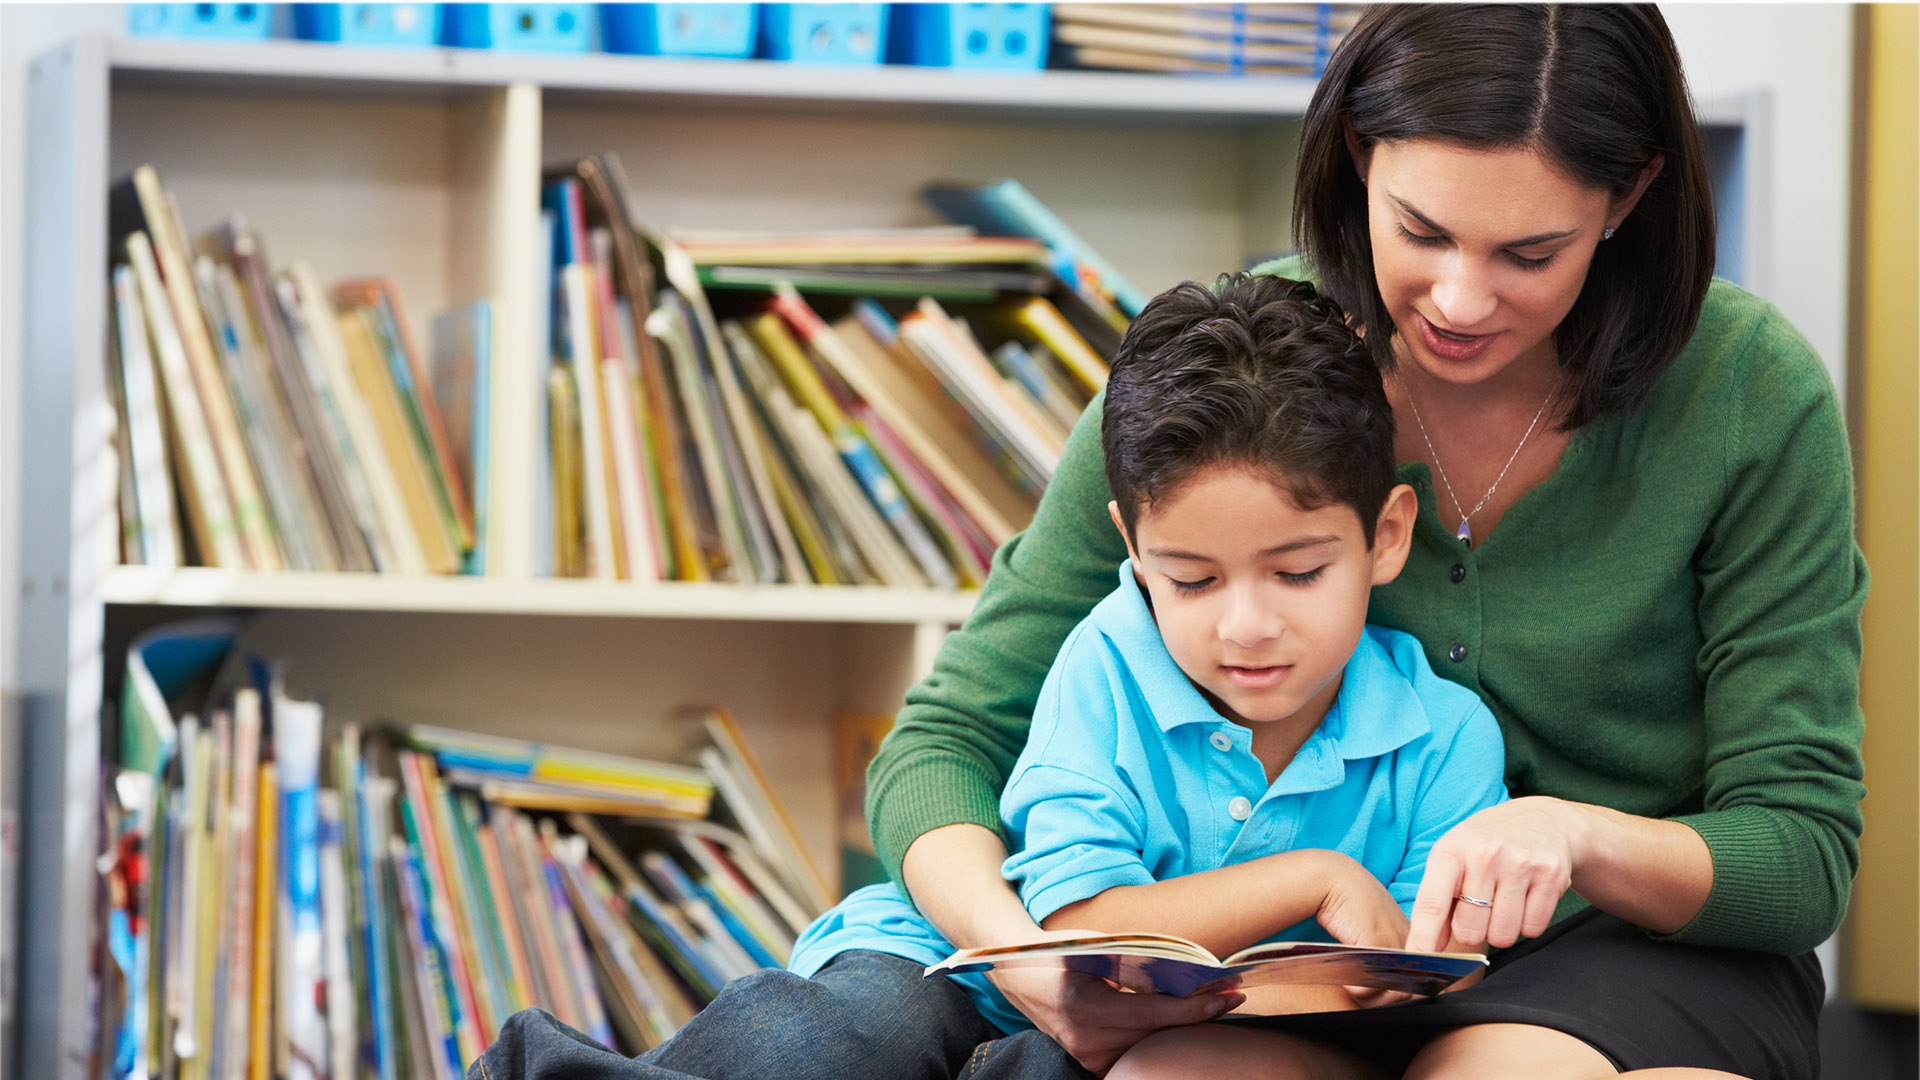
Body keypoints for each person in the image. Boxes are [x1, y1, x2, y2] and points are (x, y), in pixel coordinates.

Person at [471, 5, 1865, 1079]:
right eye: (1419, 230)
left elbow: (1797, 849)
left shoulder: (1748, 394)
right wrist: (1023, 955)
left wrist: (1574, 839)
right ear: (1355, 163)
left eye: (1530, 254)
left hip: (1614, 947)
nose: (1456, 298)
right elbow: (948, 743)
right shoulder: (1241, 368)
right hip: (1233, 967)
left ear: (1627, 204)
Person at [784, 272, 1509, 1078]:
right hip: (956, 967)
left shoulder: (1444, 740)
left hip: (1182, 1045)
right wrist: (1317, 880)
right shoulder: (1104, 667)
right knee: (814, 1042)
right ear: (1131, 547)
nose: (1246, 627)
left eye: (1298, 573)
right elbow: (1081, 931)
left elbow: (1403, 982)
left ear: (1388, 536)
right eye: (1192, 581)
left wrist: (1199, 1018)